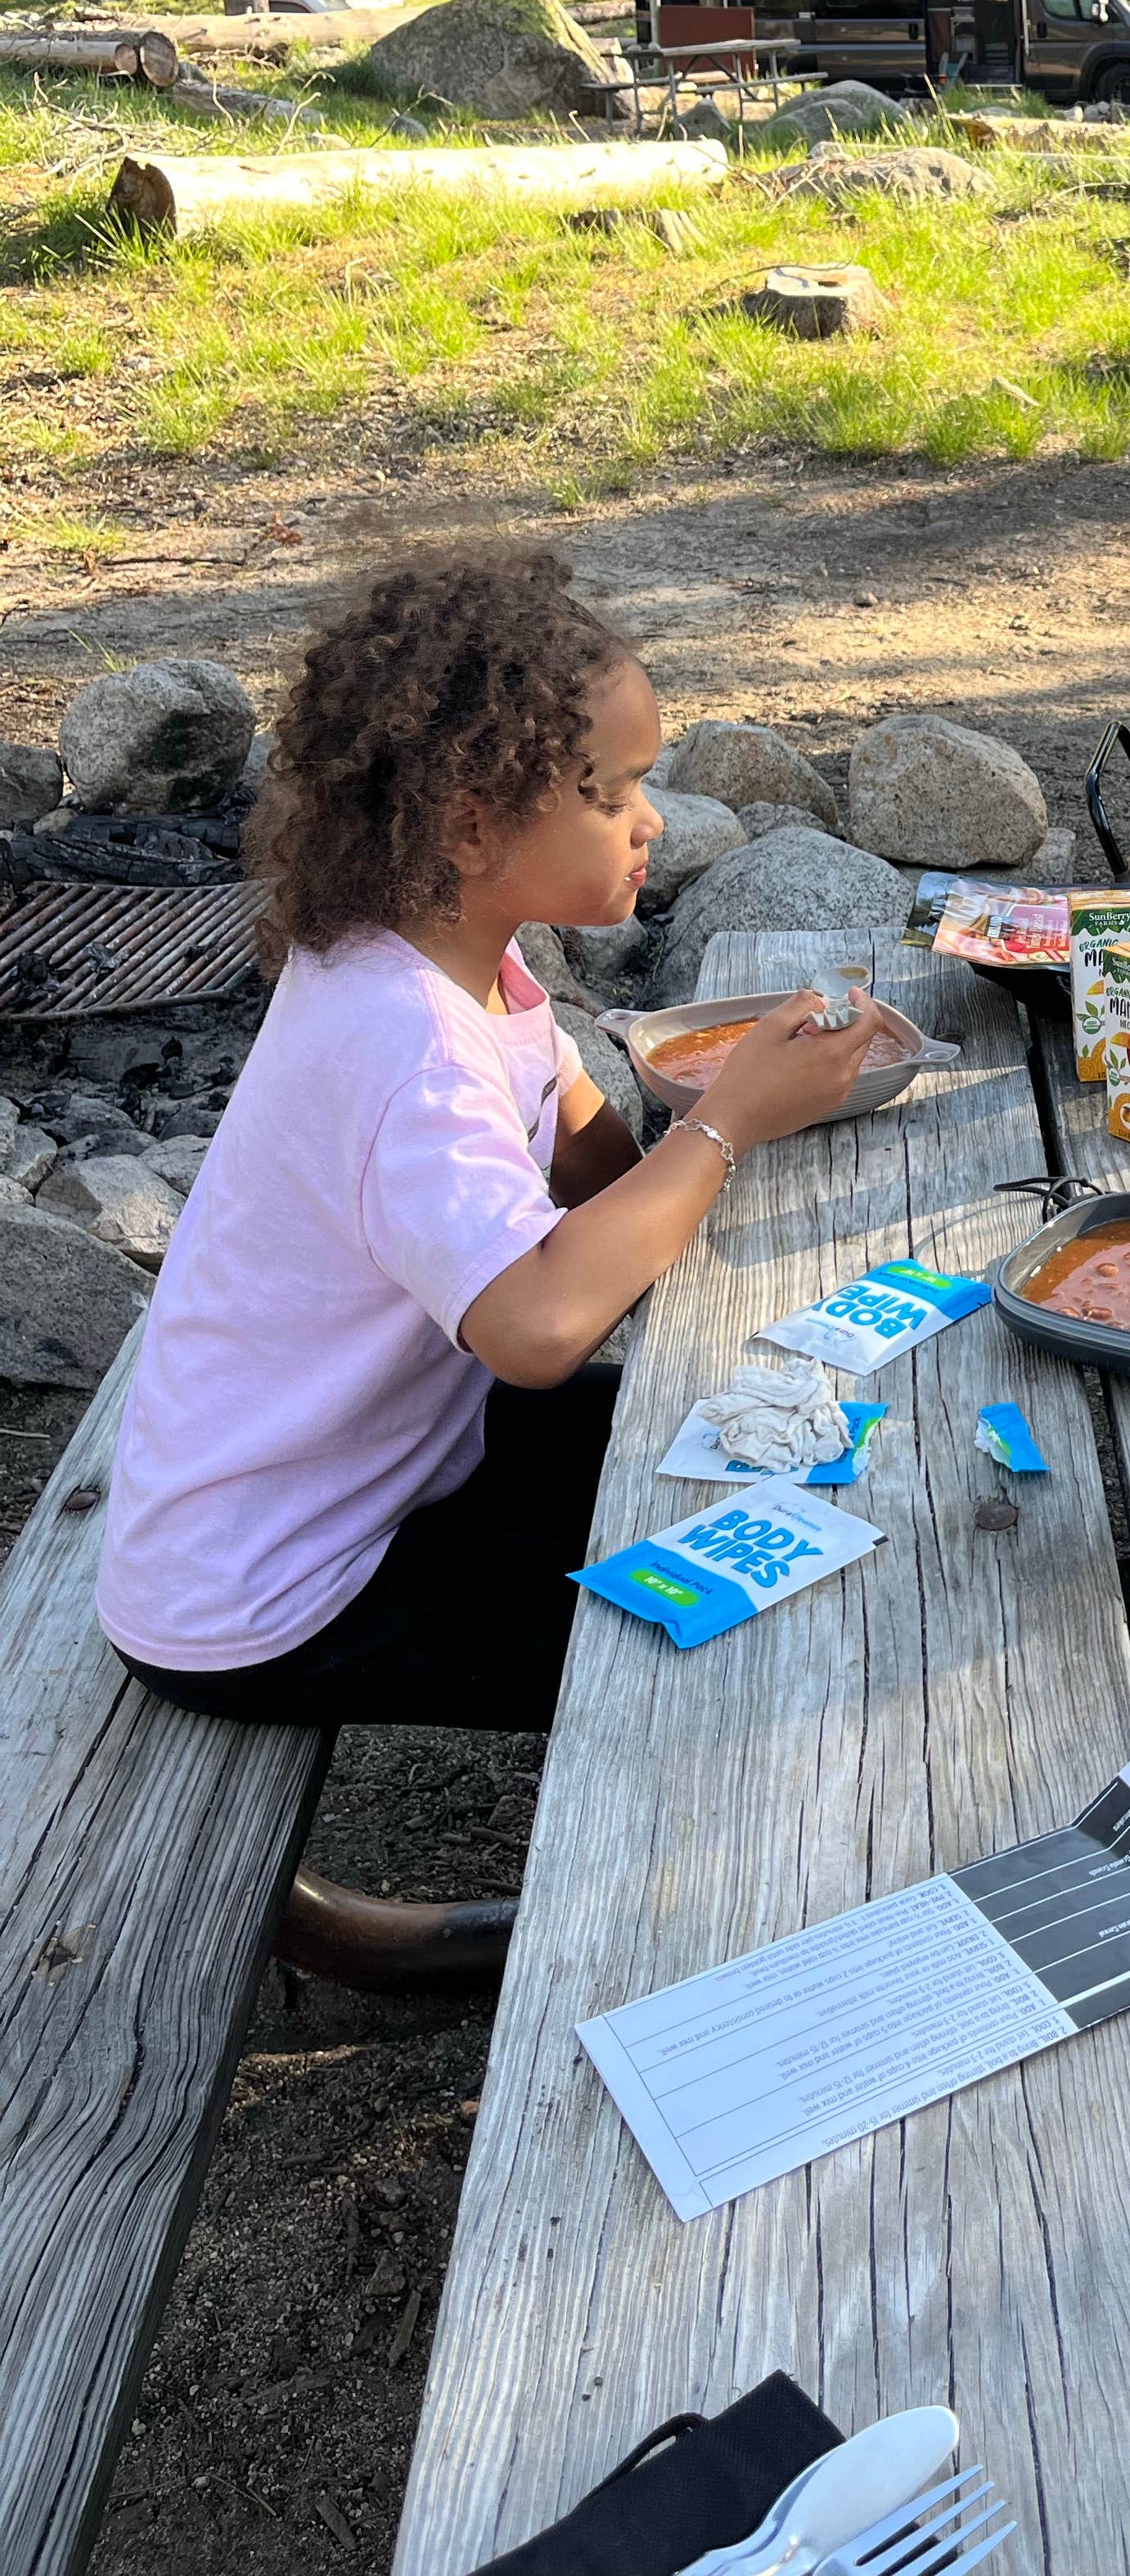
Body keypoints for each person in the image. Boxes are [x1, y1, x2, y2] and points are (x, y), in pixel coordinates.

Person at [97, 547, 886, 1726]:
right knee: (736, 1645)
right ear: (471, 826)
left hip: (385, 1462)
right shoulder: (406, 1045)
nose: (650, 822)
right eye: (613, 796)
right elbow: (537, 1329)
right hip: (267, 1593)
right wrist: (728, 1121)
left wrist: (724, 1114)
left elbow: (592, 1163)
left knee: (760, 1448)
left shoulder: (457, 960)